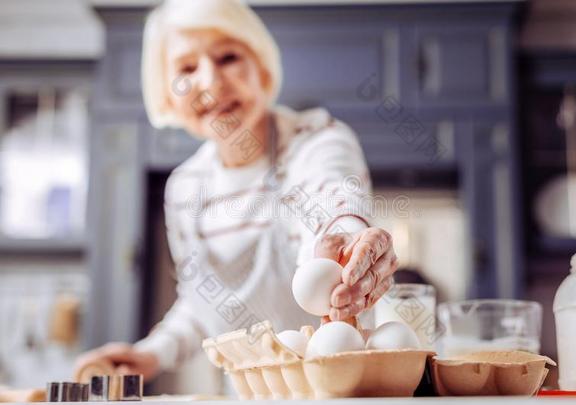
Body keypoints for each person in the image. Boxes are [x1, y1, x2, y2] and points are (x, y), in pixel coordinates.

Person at [75, 0, 398, 383]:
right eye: (187, 69)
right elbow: (202, 302)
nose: (210, 84)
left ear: (261, 69)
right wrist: (149, 355)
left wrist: (346, 244)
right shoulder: (185, 189)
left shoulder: (316, 140)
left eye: (228, 57)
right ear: (168, 96)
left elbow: (334, 204)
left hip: (341, 387)